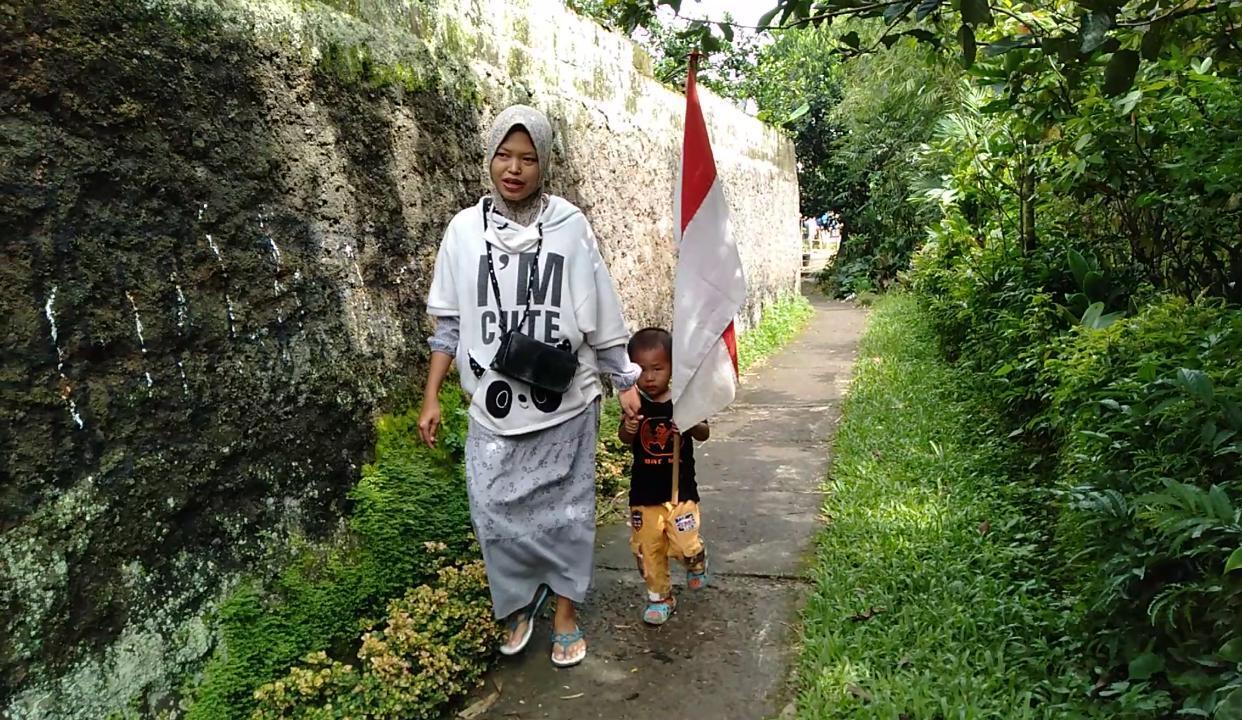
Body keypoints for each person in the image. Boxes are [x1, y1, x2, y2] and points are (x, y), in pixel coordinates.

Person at [419, 105, 641, 667]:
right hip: (493, 406)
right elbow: (449, 324)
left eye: (528, 157)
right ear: (489, 157)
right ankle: (518, 603)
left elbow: (602, 312)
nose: (513, 168)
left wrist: (622, 380)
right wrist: (431, 397)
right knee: (492, 509)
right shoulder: (463, 231)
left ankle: (565, 614)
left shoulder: (570, 226)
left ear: (545, 164)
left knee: (567, 512)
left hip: (566, 401)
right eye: (504, 155)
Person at [618, 328, 710, 625]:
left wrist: (690, 422)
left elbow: (705, 433)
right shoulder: (635, 402)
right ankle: (661, 597)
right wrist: (629, 431)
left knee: (684, 545)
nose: (649, 377)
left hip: (680, 492)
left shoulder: (683, 400)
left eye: (657, 368)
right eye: (641, 370)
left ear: (672, 367)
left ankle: (696, 559)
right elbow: (624, 437)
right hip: (645, 494)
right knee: (648, 549)